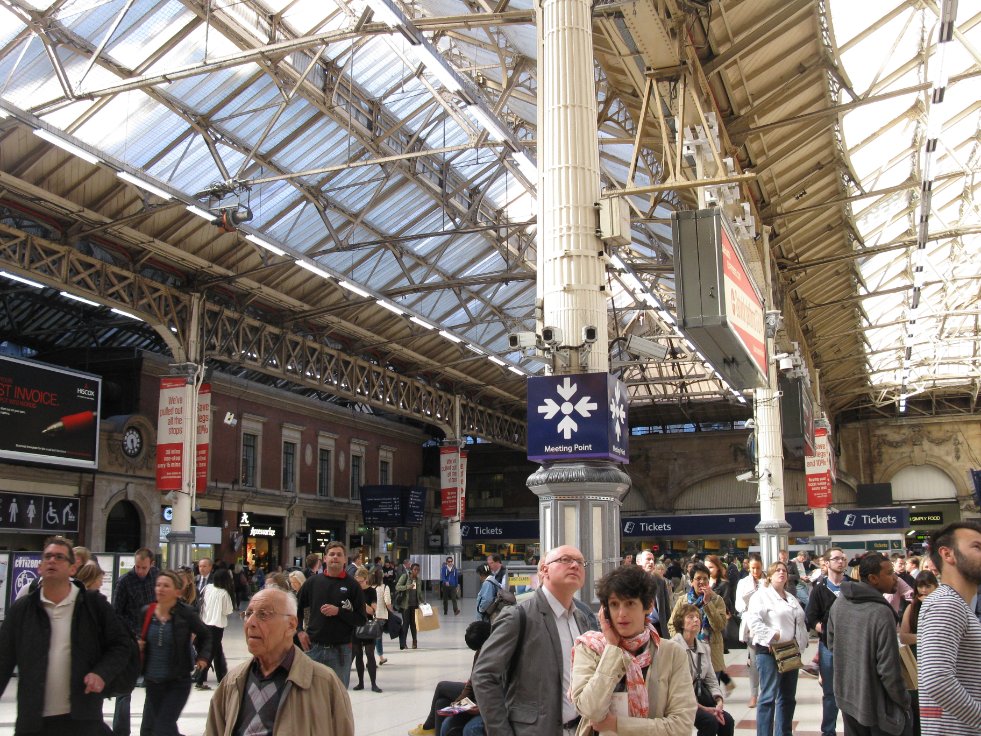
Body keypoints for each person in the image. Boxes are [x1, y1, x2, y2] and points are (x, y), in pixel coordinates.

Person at [0, 536, 133, 736]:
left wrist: (101, 673)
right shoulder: (22, 610)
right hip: (34, 721)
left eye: (59, 557)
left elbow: (121, 645)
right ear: (40, 567)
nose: (52, 561)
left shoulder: (93, 605)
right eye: (48, 557)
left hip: (80, 719)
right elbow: (3, 659)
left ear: (73, 569)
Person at [471, 545, 592, 736]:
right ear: (544, 570)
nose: (575, 565)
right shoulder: (519, 616)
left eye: (580, 562)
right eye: (565, 560)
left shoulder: (581, 619)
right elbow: (484, 675)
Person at [204, 587, 355, 736]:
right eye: (248, 614)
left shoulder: (324, 683)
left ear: (291, 625)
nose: (250, 622)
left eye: (263, 614)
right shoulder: (232, 682)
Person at [571, 564, 696, 736]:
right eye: (614, 604)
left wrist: (617, 725)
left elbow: (681, 727)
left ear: (648, 606)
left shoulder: (672, 653)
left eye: (630, 603)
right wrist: (612, 649)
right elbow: (590, 710)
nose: (621, 613)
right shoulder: (590, 648)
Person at [827, 553, 910, 736]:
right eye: (889, 573)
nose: (895, 578)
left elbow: (832, 644)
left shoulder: (840, 602)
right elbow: (888, 669)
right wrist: (904, 700)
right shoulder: (881, 613)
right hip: (877, 708)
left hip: (848, 699)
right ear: (873, 578)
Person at [918, 521, 981, 736]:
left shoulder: (955, 604)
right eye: (977, 547)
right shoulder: (946, 603)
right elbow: (937, 680)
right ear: (947, 554)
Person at [140, 569, 211, 736]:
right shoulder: (147, 612)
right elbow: (139, 636)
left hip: (177, 681)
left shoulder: (186, 613)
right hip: (152, 682)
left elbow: (206, 635)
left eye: (166, 586)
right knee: (162, 727)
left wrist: (203, 657)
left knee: (163, 726)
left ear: (177, 592)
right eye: (158, 585)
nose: (160, 589)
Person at [744, 560, 807, 736]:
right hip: (769, 651)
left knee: (787, 698)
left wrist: (801, 643)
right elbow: (754, 622)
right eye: (777, 570)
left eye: (784, 570)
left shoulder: (791, 597)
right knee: (768, 697)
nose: (781, 573)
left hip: (790, 651)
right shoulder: (761, 596)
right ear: (769, 576)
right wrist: (774, 636)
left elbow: (800, 621)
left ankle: (784, 733)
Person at [296, 540, 366, 688]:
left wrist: (339, 611)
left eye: (339, 555)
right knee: (310, 693)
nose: (335, 557)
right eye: (332, 554)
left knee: (338, 694)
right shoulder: (312, 582)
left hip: (340, 651)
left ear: (345, 559)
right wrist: (299, 631)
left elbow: (361, 619)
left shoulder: (353, 586)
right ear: (325, 558)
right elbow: (295, 607)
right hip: (313, 648)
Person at [407, 620, 493, 736]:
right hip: (478, 696)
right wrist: (458, 704)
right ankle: (431, 728)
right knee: (441, 703)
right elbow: (472, 682)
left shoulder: (501, 657)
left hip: (489, 703)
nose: (479, 652)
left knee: (470, 729)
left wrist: (481, 708)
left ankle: (428, 727)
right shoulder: (480, 653)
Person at [112, 547, 159, 736]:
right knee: (124, 689)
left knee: (153, 687)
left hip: (152, 639)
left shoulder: (156, 577)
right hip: (131, 640)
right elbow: (117, 613)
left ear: (151, 565)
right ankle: (121, 731)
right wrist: (134, 635)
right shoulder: (124, 582)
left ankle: (147, 730)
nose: (139, 570)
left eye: (143, 567)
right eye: (137, 566)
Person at [672, 602, 735, 736]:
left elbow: (711, 679)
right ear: (681, 623)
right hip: (680, 701)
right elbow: (676, 687)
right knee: (709, 722)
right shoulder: (673, 648)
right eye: (690, 617)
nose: (696, 620)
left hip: (700, 697)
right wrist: (704, 708)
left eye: (698, 617)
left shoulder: (704, 647)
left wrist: (719, 701)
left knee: (727, 721)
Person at [805, 546, 848, 736]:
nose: (841, 562)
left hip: (850, 646)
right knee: (830, 691)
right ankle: (828, 731)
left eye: (843, 558)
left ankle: (853, 729)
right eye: (837, 558)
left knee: (851, 690)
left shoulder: (852, 586)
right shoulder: (819, 589)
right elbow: (811, 617)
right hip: (828, 646)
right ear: (827, 563)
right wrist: (825, 630)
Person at [668, 563, 728, 695]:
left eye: (705, 578)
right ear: (691, 581)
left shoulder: (717, 600)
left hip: (712, 654)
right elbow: (672, 624)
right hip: (687, 654)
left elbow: (719, 625)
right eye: (698, 578)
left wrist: (707, 603)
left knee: (711, 695)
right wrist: (682, 641)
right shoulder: (683, 601)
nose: (702, 582)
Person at [195, 568, 235, 690]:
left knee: (216, 651)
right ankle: (199, 680)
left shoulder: (207, 587)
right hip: (216, 627)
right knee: (211, 652)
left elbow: (200, 601)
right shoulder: (224, 593)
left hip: (204, 623)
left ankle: (221, 678)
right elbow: (228, 610)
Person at [735, 554, 764, 708]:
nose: (755, 571)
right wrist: (748, 601)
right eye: (752, 568)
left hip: (766, 623)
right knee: (753, 661)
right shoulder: (743, 583)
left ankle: (767, 692)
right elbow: (738, 605)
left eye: (758, 568)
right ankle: (754, 694)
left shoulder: (768, 581)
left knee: (766, 661)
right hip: (751, 625)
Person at [351, 567, 382, 692]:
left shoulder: (371, 592)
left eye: (361, 581)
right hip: (355, 625)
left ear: (366, 580)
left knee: (370, 653)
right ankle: (360, 682)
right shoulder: (353, 591)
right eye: (357, 581)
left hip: (368, 625)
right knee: (358, 654)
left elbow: (372, 610)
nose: (358, 584)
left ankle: (374, 683)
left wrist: (361, 603)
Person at [637, 549, 672, 638]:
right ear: (638, 562)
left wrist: (668, 629)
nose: (651, 562)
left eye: (653, 560)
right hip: (640, 627)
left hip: (659, 627)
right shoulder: (632, 582)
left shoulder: (660, 581)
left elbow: (666, 608)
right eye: (648, 559)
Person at [899, 570, 939, 647]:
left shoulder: (942, 606)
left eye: (928, 586)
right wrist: (925, 638)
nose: (924, 590)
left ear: (936, 586)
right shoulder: (911, 607)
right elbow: (903, 637)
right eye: (920, 586)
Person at [396, 562, 426, 650]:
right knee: (405, 624)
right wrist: (407, 587)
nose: (416, 571)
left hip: (415, 605)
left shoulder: (418, 580)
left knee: (414, 624)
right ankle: (403, 642)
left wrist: (423, 602)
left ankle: (414, 641)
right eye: (415, 569)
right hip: (405, 605)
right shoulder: (405, 577)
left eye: (418, 570)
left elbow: (419, 593)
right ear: (411, 570)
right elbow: (397, 587)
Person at [372, 567, 392, 665]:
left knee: (369, 637)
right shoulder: (384, 587)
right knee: (378, 637)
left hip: (370, 615)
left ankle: (371, 658)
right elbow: (387, 602)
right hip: (380, 616)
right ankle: (381, 657)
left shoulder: (368, 587)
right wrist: (391, 611)